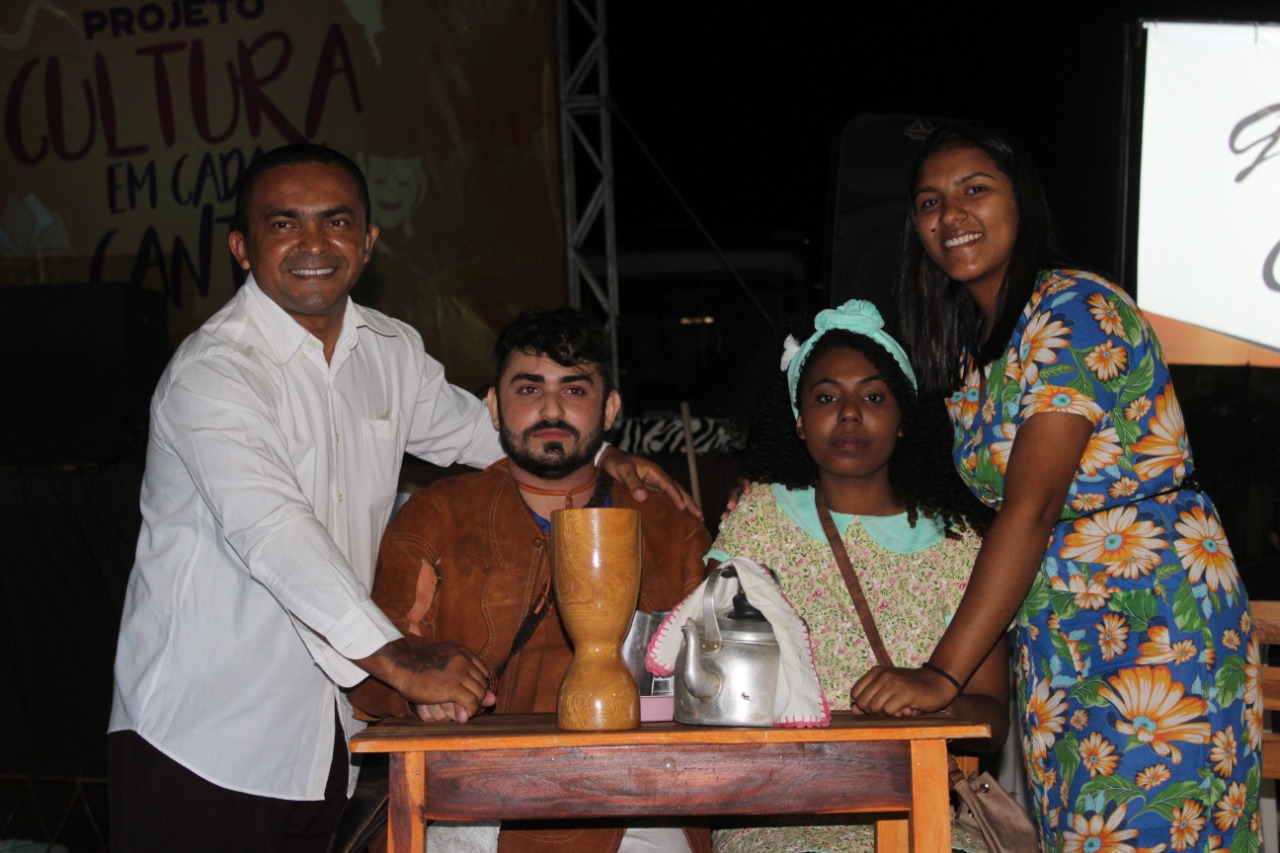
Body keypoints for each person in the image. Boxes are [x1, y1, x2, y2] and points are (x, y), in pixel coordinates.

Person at [107, 144, 698, 853]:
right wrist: (400, 659)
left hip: (329, 737)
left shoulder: (389, 351)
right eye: (284, 223)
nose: (314, 244)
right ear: (242, 247)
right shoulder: (213, 373)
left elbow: (486, 432)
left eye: (336, 222)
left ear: (367, 241)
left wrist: (603, 454)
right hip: (203, 735)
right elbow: (276, 533)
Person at [850, 120, 1261, 850]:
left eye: (974, 189)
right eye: (930, 202)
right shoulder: (977, 350)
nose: (950, 215)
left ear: (1023, 199)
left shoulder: (1071, 308)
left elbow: (1032, 507)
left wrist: (943, 673)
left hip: (1152, 621)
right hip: (1063, 632)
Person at [350, 306, 711, 853]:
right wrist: (421, 695)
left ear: (610, 408)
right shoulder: (439, 515)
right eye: (528, 389)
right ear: (494, 408)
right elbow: (372, 672)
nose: (550, 409)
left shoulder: (668, 525)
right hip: (474, 801)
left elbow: (716, 677)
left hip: (639, 804)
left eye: (574, 389)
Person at [710, 300, 1006, 853]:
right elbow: (710, 678)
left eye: (873, 397)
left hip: (922, 806)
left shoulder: (960, 543)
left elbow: (993, 715)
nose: (849, 414)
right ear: (799, 420)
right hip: (780, 811)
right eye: (827, 398)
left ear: (903, 419)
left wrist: (931, 700)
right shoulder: (759, 519)